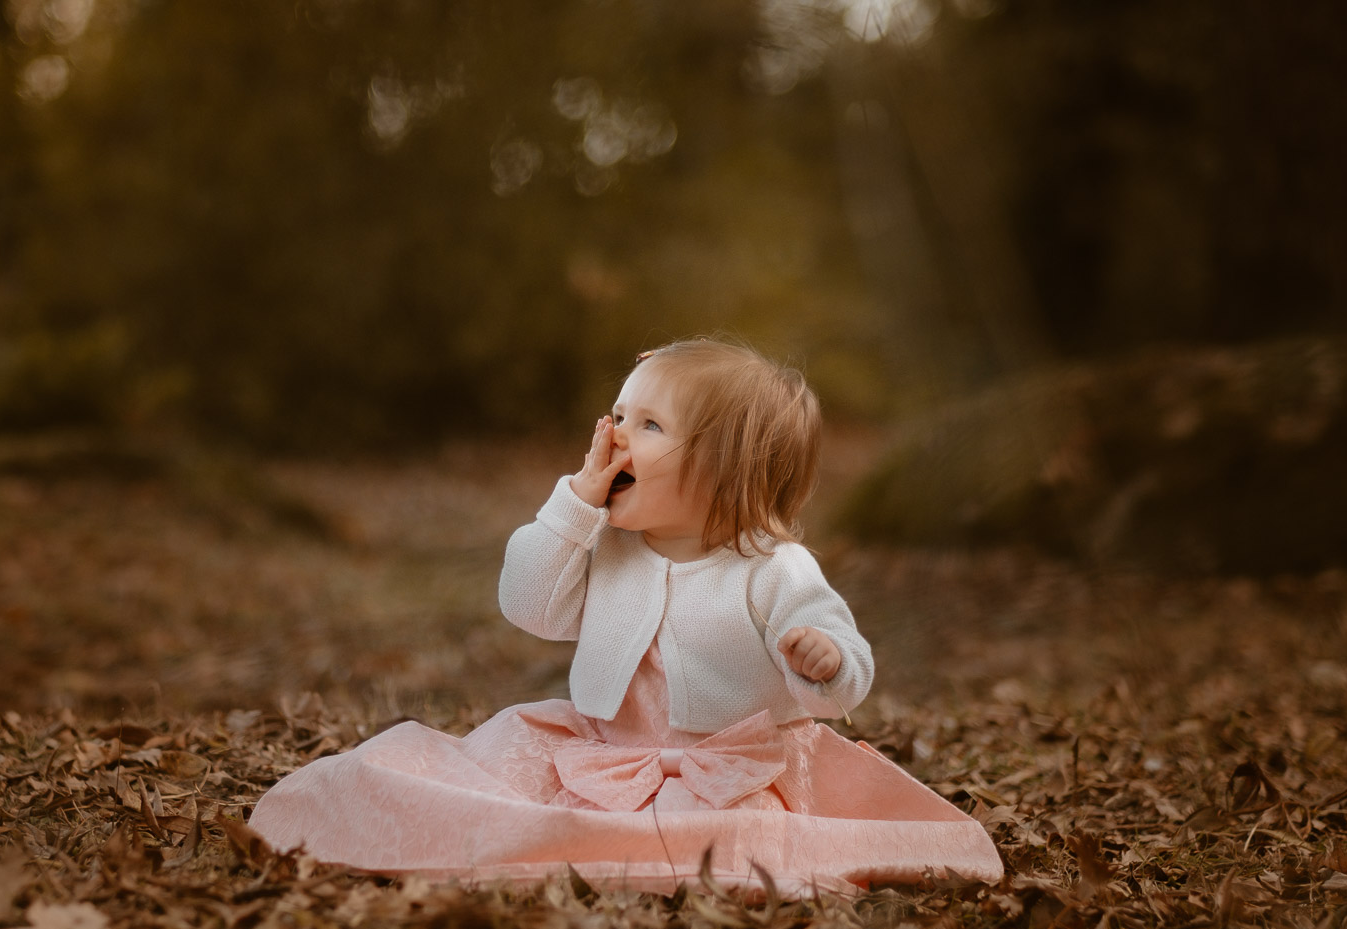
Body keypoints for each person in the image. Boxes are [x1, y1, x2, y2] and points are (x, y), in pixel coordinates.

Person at [248, 339, 1002, 895]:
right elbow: (529, 606)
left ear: (726, 466)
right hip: (600, 753)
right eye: (617, 413)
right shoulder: (606, 544)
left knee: (728, 847)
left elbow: (845, 674)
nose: (613, 436)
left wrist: (825, 663)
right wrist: (573, 505)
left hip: (728, 772)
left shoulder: (774, 568)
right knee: (467, 791)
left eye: (648, 425)